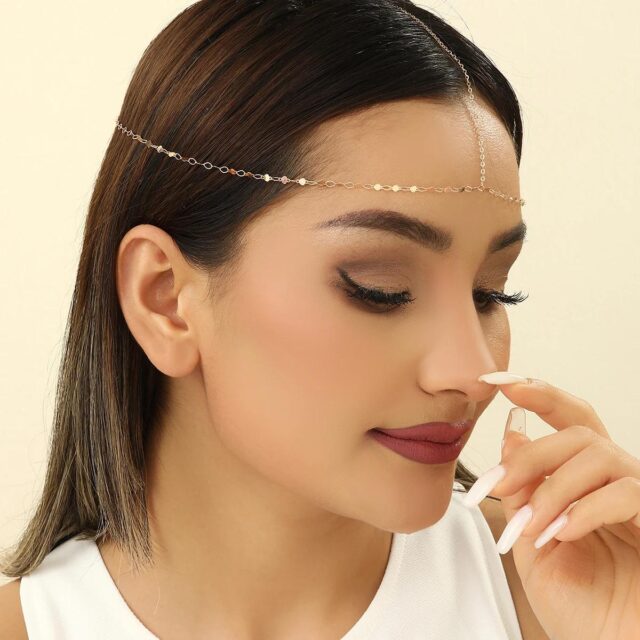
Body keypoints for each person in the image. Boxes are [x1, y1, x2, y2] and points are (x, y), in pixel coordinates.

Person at [1, 1, 608, 638]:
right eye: (382, 290)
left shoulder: (563, 600)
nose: (474, 372)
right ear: (165, 299)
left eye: (490, 294)